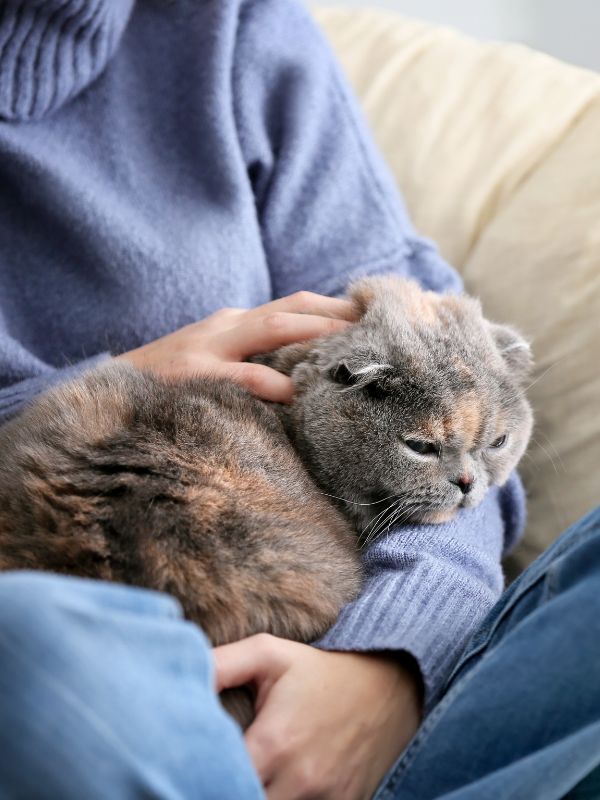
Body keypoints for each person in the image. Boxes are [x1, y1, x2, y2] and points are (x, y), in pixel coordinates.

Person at [0, 1, 597, 797]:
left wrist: (386, 666)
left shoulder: (230, 25)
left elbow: (448, 363)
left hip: (381, 718)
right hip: (107, 678)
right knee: (32, 645)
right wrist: (116, 384)